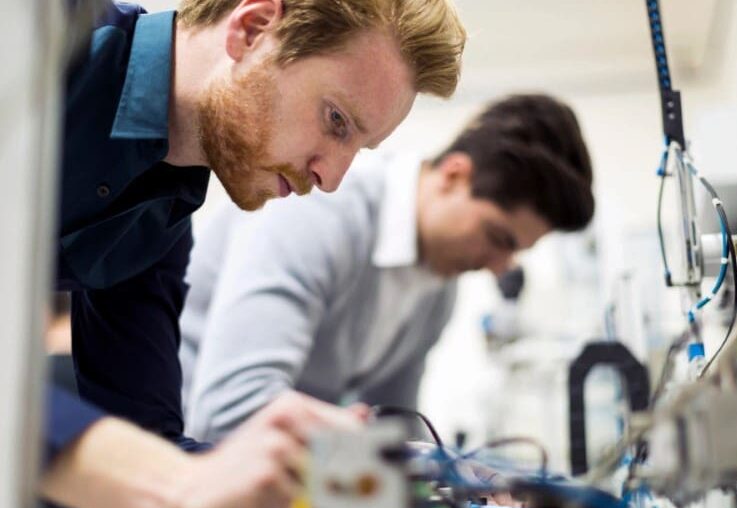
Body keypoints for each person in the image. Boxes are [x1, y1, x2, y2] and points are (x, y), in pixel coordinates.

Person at [41, 0, 466, 508]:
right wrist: (169, 482)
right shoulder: (45, 43)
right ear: (254, 27)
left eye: (360, 148)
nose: (331, 178)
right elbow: (161, 477)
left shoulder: (160, 216)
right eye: (336, 120)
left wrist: (340, 483)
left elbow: (145, 440)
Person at [180, 94, 594, 443]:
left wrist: (457, 475)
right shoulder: (319, 209)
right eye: (499, 238)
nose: (499, 267)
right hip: (167, 472)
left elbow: (396, 424)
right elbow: (229, 411)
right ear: (454, 175)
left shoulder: (436, 287)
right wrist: (404, 460)